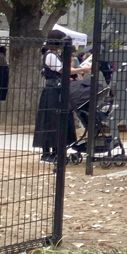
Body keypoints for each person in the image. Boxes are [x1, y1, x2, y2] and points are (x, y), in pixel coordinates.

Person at [33, 31, 75, 161]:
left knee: (58, 121)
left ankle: (57, 151)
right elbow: (62, 70)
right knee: (49, 121)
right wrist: (82, 69)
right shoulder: (50, 55)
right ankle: (46, 153)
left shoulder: (57, 55)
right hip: (51, 92)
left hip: (58, 91)